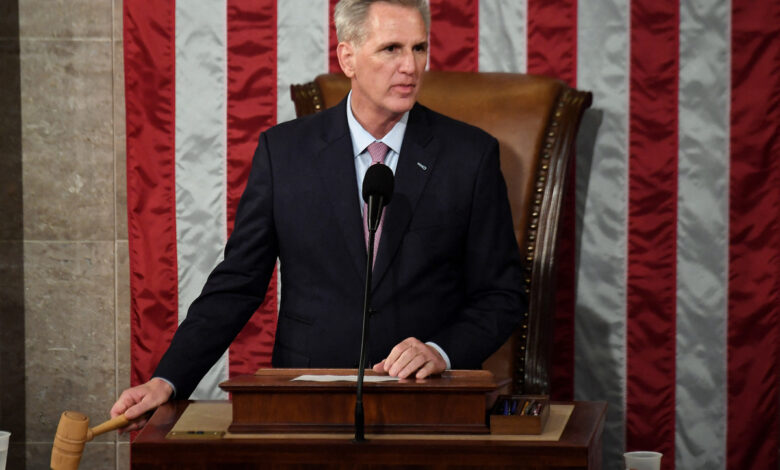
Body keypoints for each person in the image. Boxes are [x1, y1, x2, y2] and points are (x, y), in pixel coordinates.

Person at [111, 0, 526, 432]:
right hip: (306, 403)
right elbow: (237, 284)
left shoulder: (469, 156)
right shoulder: (284, 153)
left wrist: (440, 351)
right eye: (391, 49)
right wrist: (168, 379)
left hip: (426, 404)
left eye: (419, 48)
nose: (410, 66)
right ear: (348, 56)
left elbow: (502, 295)